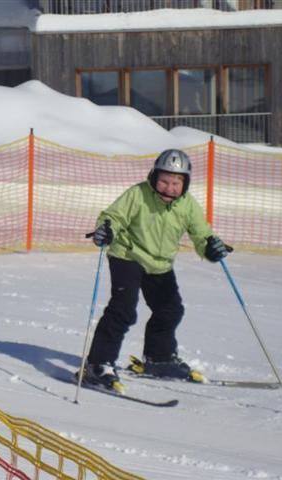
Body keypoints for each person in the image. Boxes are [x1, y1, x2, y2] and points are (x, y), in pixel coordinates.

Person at [81, 148, 232, 392]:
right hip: (127, 255)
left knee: (170, 309)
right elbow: (113, 217)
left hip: (160, 263)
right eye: (163, 181)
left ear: (185, 184)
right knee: (123, 309)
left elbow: (201, 235)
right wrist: (106, 230)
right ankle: (97, 365)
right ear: (153, 176)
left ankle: (159, 358)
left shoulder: (188, 206)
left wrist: (211, 248)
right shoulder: (138, 194)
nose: (168, 188)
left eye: (175, 183)